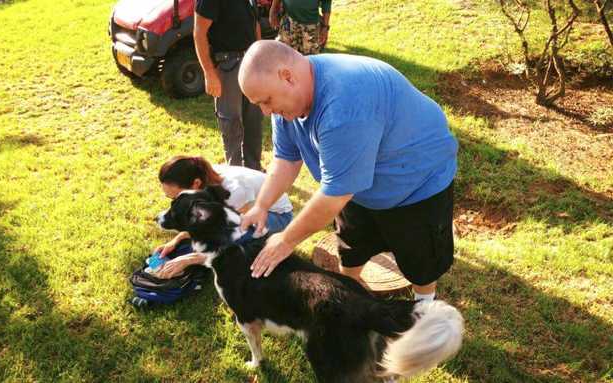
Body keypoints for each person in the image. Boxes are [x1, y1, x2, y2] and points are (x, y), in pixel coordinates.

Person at [237, 40, 459, 302]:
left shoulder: (344, 103)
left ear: (287, 77)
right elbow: (286, 158)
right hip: (357, 186)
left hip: (416, 182)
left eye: (266, 101)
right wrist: (262, 205)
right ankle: (347, 295)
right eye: (259, 104)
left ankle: (425, 306)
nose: (265, 112)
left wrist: (285, 240)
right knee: (352, 245)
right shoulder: (287, 104)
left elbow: (335, 195)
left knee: (419, 260)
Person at [154, 155, 294, 279]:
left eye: (177, 197)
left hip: (278, 216)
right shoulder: (200, 173)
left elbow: (233, 243)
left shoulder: (232, 192)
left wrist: (188, 260)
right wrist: (175, 241)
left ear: (196, 183)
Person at [194, 0, 264, 170]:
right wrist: (209, 73)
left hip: (250, 61)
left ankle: (254, 169)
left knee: (254, 118)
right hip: (227, 64)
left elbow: (253, 24)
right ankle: (235, 172)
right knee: (231, 121)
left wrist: (260, 56)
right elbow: (199, 32)